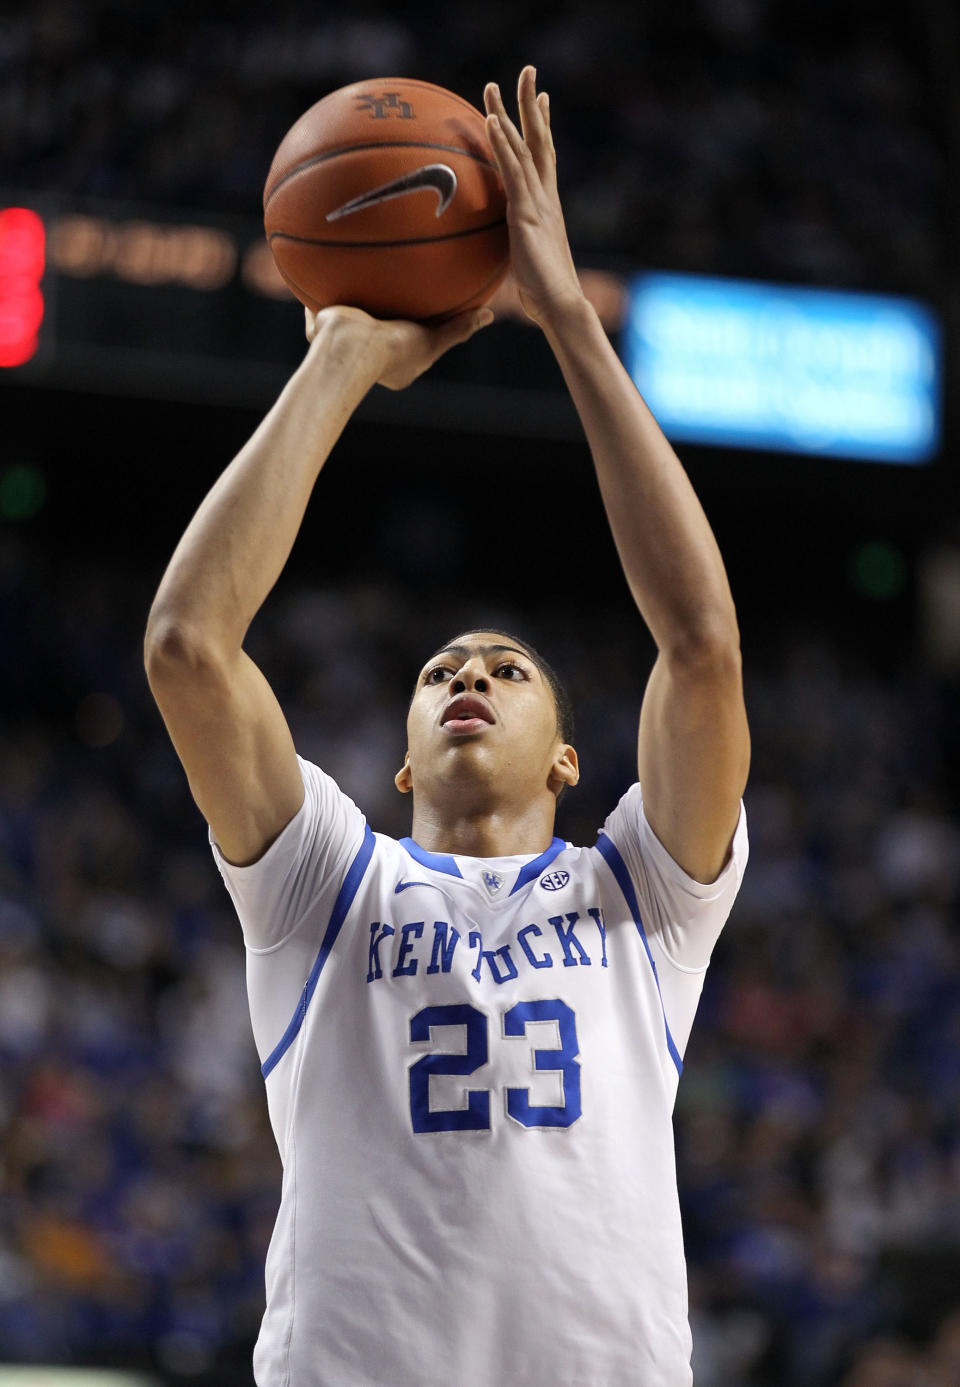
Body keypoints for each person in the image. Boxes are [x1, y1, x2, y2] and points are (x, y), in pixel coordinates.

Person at [145, 65, 750, 1387]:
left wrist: (568, 318)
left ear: (577, 762)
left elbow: (701, 651)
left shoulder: (642, 897)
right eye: (443, 669)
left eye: (509, 669)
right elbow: (190, 648)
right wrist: (345, 363)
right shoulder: (323, 885)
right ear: (404, 754)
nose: (471, 672)